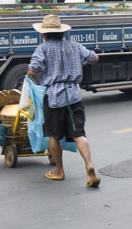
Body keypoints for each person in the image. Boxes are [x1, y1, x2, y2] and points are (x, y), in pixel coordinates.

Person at [26, 14, 101, 187]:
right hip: (73, 95)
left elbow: (33, 71)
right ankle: (89, 165)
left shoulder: (42, 49)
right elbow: (94, 58)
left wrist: (31, 69)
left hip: (53, 98)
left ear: (44, 34)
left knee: (54, 135)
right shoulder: (74, 46)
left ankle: (59, 170)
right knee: (78, 134)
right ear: (61, 32)